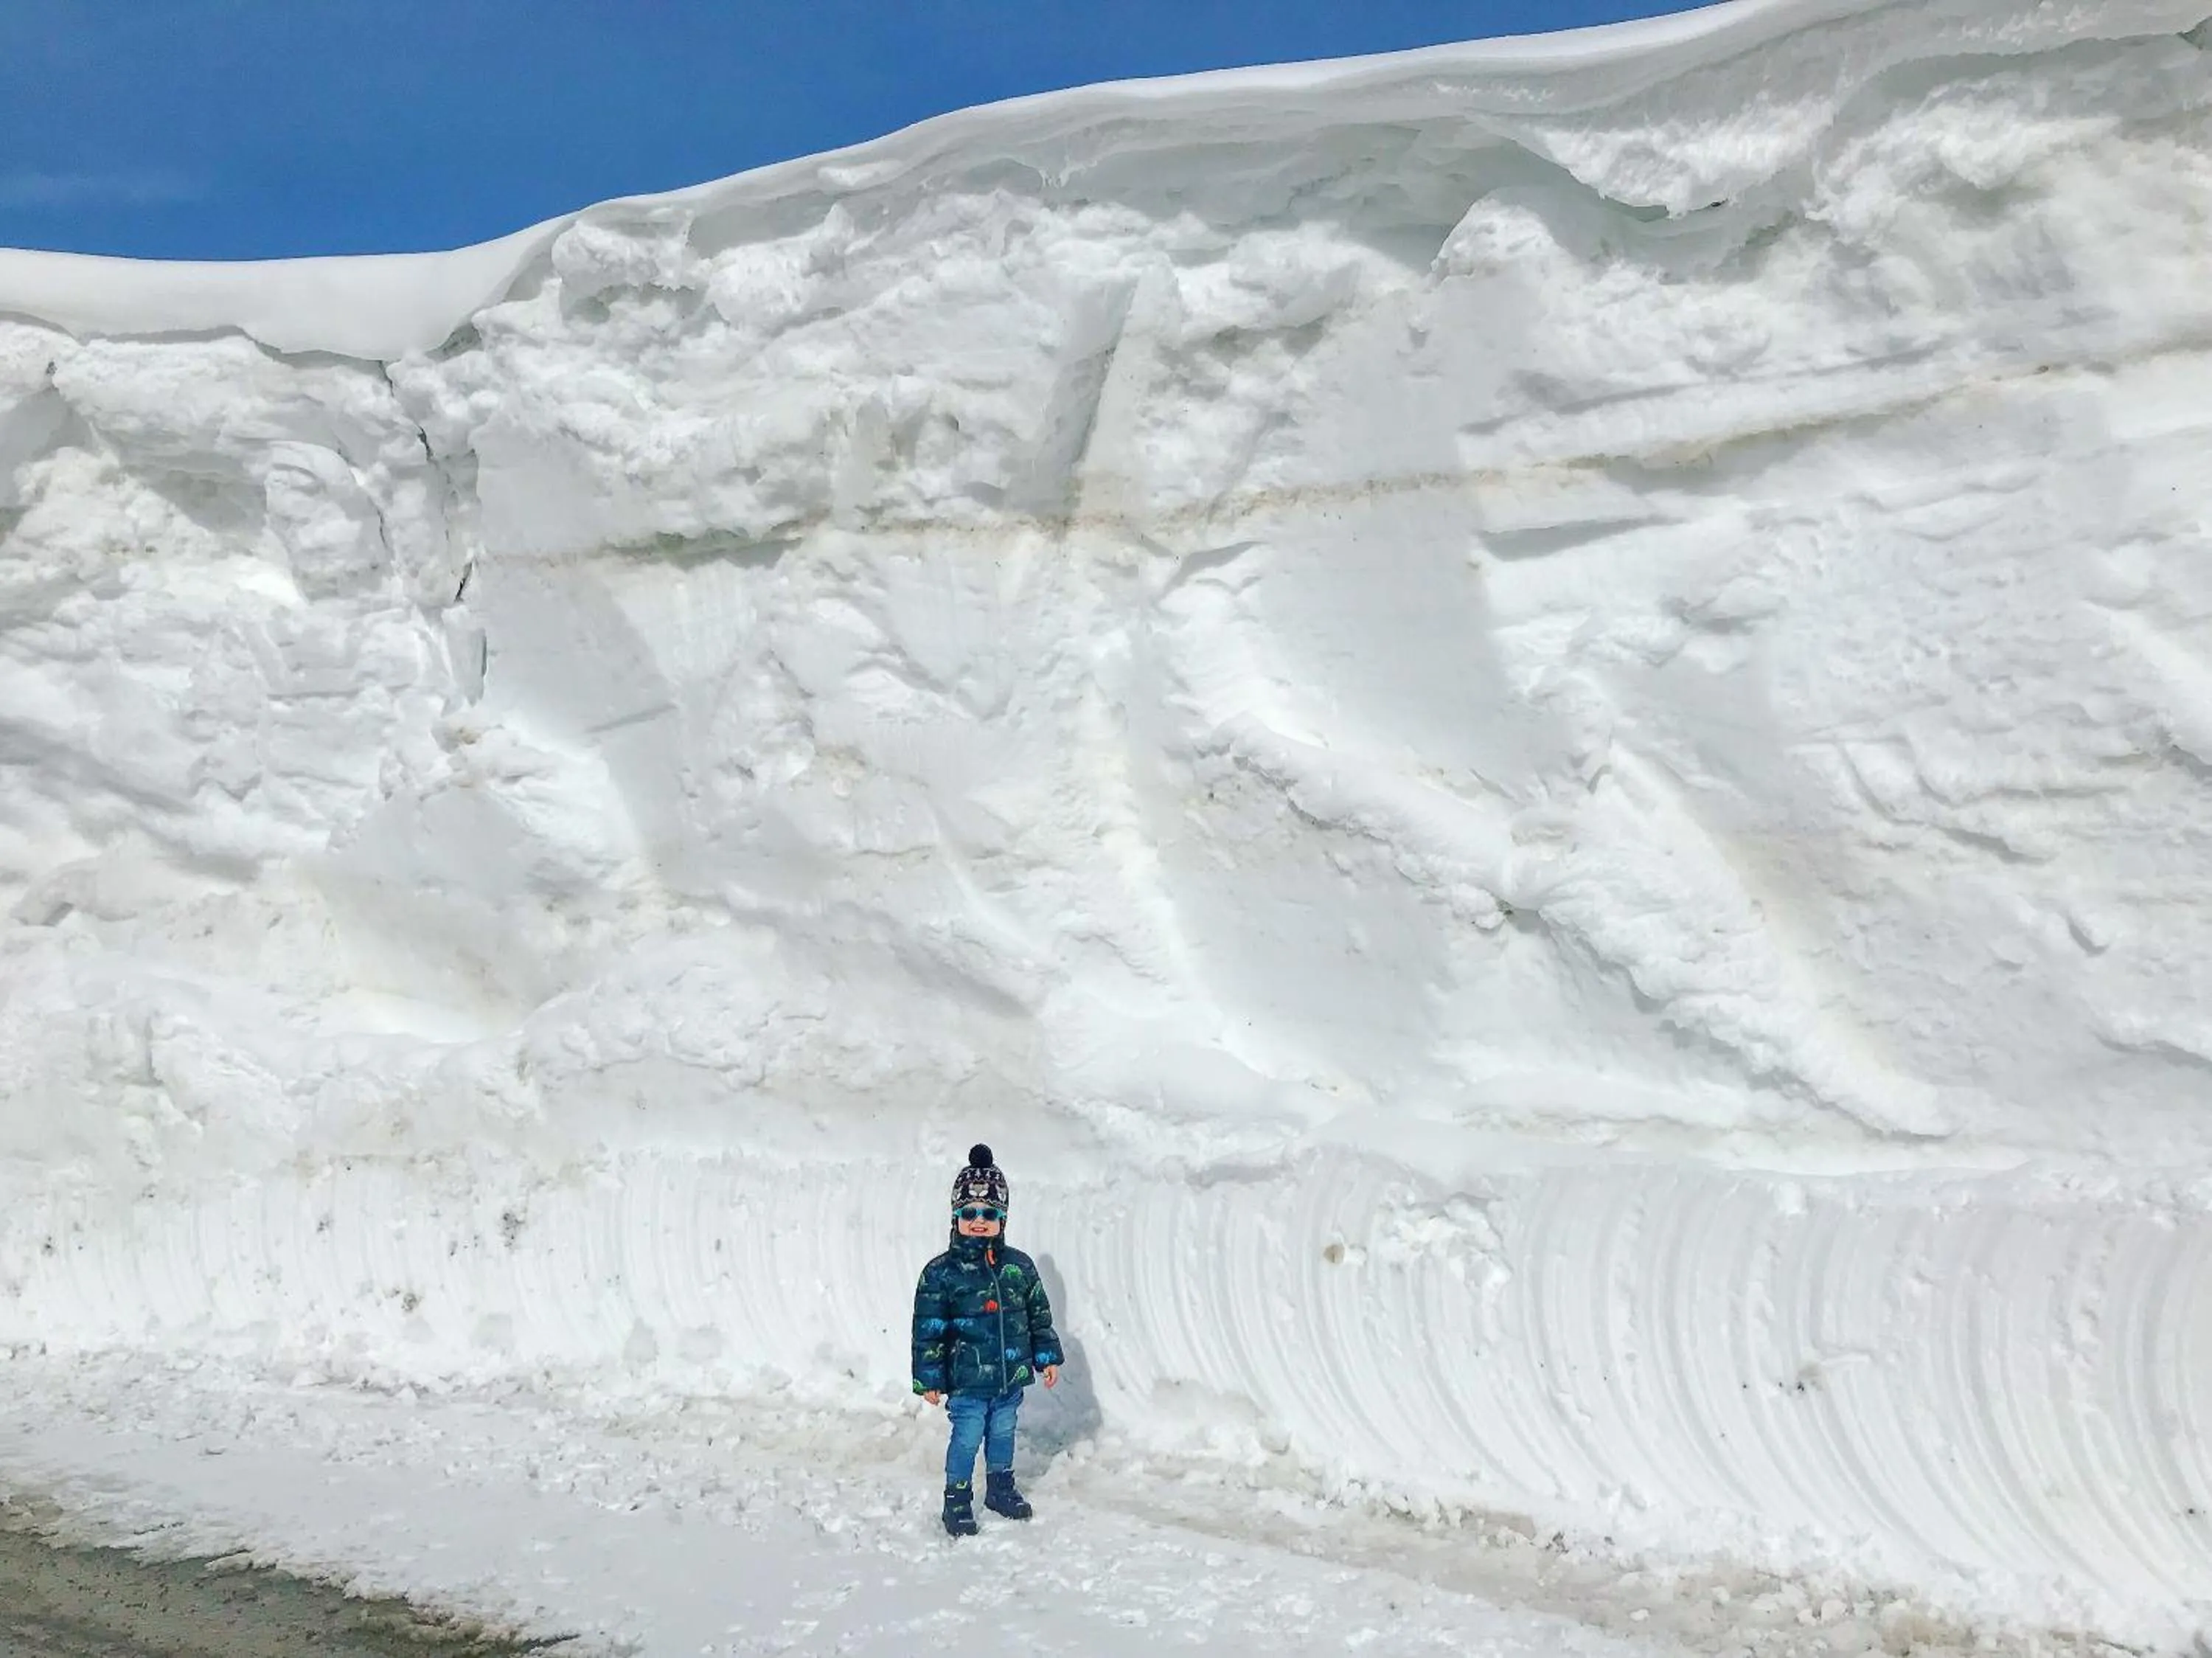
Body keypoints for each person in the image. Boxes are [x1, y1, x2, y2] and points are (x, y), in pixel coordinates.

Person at [911, 1144, 1063, 1536]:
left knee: (1003, 1433)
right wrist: (929, 1378)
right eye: (970, 1213)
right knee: (966, 1439)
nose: (980, 1221)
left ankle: (1000, 1487)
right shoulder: (941, 1274)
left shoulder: (1019, 1267)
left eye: (990, 1214)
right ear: (956, 1216)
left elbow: (1037, 1315)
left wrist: (1046, 1356)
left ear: (1002, 1219)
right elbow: (929, 1328)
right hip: (966, 1383)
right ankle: (957, 1500)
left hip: (1009, 1379)